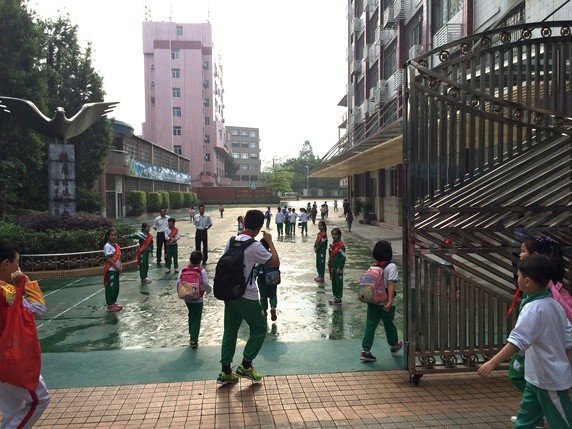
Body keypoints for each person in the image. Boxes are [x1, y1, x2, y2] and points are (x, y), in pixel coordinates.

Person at [478, 254, 572, 429]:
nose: (518, 279)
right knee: (525, 422)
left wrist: (492, 363)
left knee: (563, 422)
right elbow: (569, 338)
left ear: (527, 281)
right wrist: (568, 366)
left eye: (519, 276)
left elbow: (517, 341)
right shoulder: (554, 305)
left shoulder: (533, 308)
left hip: (548, 380)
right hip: (538, 378)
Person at [217, 210, 280, 386]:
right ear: (260, 226)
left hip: (230, 293)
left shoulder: (231, 241)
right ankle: (246, 365)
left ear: (244, 222)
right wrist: (270, 242)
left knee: (230, 331)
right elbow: (275, 262)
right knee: (259, 328)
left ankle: (225, 371)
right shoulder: (255, 246)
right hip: (247, 295)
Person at [0, 241, 51, 428]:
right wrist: (26, 281)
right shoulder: (8, 293)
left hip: (4, 363)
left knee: (12, 411)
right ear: (6, 264)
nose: (19, 267)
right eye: (17, 262)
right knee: (40, 399)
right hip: (12, 361)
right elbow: (38, 307)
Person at [360, 240, 403, 362]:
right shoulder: (391, 267)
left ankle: (365, 351)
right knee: (389, 325)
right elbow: (391, 284)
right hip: (385, 302)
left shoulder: (373, 266)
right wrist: (390, 302)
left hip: (373, 302)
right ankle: (394, 345)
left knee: (370, 325)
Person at [179, 250, 211, 348]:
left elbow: (179, 283)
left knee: (191, 315)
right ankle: (194, 339)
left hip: (187, 298)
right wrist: (209, 291)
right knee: (196, 318)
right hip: (198, 299)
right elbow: (206, 284)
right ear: (200, 260)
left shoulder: (183, 270)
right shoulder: (201, 271)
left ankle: (191, 333)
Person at [254, 239, 280, 321]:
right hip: (273, 280)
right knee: (273, 295)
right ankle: (273, 307)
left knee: (263, 297)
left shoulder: (261, 255)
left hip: (262, 281)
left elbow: (256, 268)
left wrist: (253, 278)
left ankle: (264, 311)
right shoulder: (273, 254)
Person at [102, 228, 123, 312]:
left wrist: (120, 266)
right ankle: (110, 305)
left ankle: (113, 303)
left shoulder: (116, 245)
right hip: (111, 270)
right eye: (112, 235)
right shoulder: (107, 246)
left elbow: (119, 257)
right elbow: (109, 259)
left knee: (115, 287)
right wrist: (116, 268)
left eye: (115, 235)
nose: (114, 236)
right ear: (108, 236)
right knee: (110, 287)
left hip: (116, 270)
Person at [328, 228, 346, 305]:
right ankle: (335, 297)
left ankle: (338, 298)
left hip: (338, 268)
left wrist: (340, 267)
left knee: (339, 283)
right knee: (334, 283)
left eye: (335, 234)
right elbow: (330, 254)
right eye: (332, 234)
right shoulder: (332, 244)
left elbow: (343, 258)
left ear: (339, 235)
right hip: (333, 267)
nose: (334, 236)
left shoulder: (341, 246)